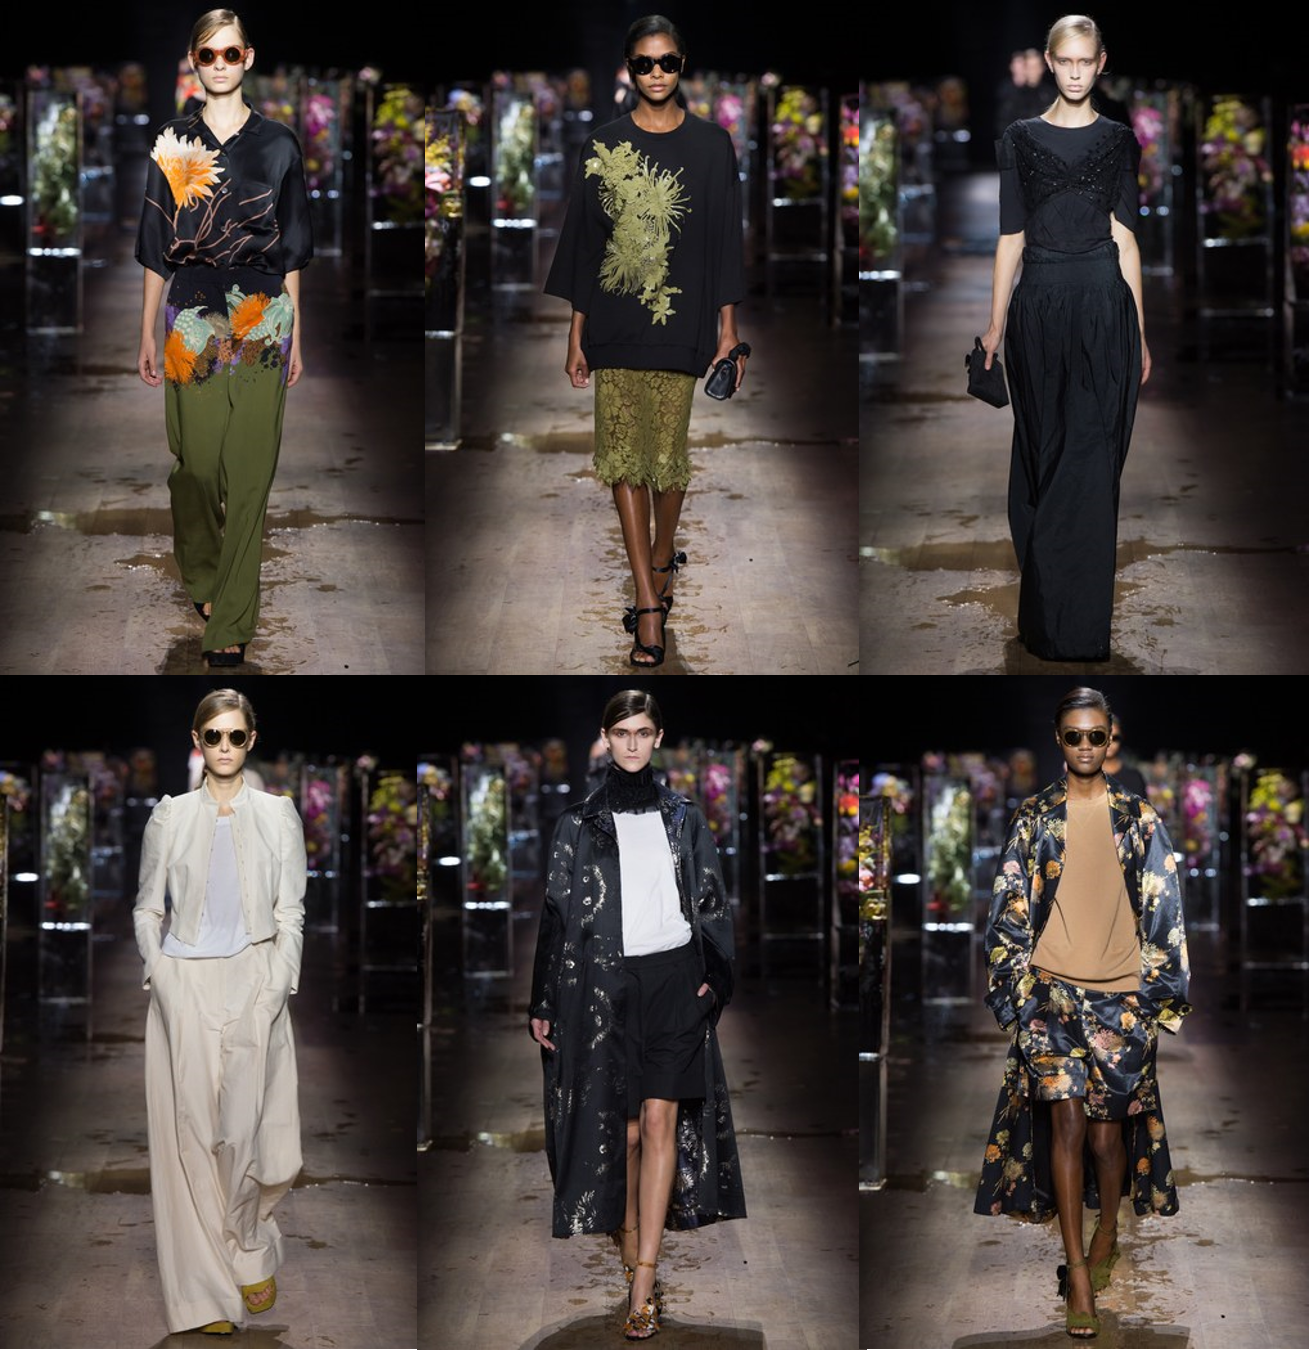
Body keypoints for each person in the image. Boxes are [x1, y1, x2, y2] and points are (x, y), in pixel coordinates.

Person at [974, 686, 1190, 1338]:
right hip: (1052, 996)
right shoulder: (1034, 816)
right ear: (1059, 740)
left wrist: (1158, 1000)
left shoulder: (1138, 818)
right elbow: (1008, 904)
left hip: (1121, 998)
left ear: (1110, 738)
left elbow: (1165, 906)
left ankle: (1106, 1232)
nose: (1086, 746)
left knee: (1105, 1137)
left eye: (1097, 735)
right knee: (1066, 1125)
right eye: (1075, 736)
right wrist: (1015, 996)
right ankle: (1076, 1273)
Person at [529, 689, 745, 1339]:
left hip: (674, 984)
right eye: (620, 732)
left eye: (642, 732)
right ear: (605, 738)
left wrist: (714, 980)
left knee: (658, 1122)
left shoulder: (684, 818)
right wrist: (543, 999)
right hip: (604, 989)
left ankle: (644, 1283)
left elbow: (712, 900)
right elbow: (555, 913)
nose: (631, 743)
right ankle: (628, 1236)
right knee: (623, 1134)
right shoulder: (577, 823)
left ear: (658, 738)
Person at [543, 15, 748, 668]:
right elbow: (585, 244)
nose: (655, 73)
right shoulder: (601, 145)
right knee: (623, 459)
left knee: (666, 456)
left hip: (682, 320)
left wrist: (728, 331)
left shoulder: (713, 145)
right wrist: (576, 334)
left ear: (682, 64)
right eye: (643, 63)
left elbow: (725, 239)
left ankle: (661, 558)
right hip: (614, 320)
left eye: (666, 62)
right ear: (627, 69)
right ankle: (647, 599)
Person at [136, 9, 312, 668]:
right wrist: (145, 331)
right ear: (193, 60)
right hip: (191, 311)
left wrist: (300, 334)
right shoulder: (174, 143)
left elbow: (293, 248)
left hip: (264, 313)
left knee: (250, 470)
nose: (219, 65)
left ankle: (232, 617)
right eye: (207, 54)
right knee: (196, 467)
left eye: (229, 53)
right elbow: (156, 242)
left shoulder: (280, 144)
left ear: (248, 58)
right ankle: (204, 571)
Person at [134, 688, 307, 1334]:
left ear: (251, 740)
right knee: (189, 1140)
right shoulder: (170, 816)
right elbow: (147, 907)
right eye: (214, 736)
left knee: (251, 1136)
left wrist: (278, 984)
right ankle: (206, 1293)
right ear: (197, 741)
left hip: (255, 980)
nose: (225, 747)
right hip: (186, 984)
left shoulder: (278, 814)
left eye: (236, 735)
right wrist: (162, 973)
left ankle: (248, 1242)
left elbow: (291, 911)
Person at [982, 15, 1148, 662]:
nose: (1076, 73)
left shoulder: (1118, 141)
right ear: (1049, 63)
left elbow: (1126, 238)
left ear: (1101, 63)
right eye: (1065, 61)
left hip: (1104, 306)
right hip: (1040, 310)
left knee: (1091, 462)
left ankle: (1076, 629)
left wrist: (1140, 332)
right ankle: (1046, 612)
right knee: (1043, 459)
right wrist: (995, 324)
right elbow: (1009, 236)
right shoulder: (1019, 139)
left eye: (1086, 61)